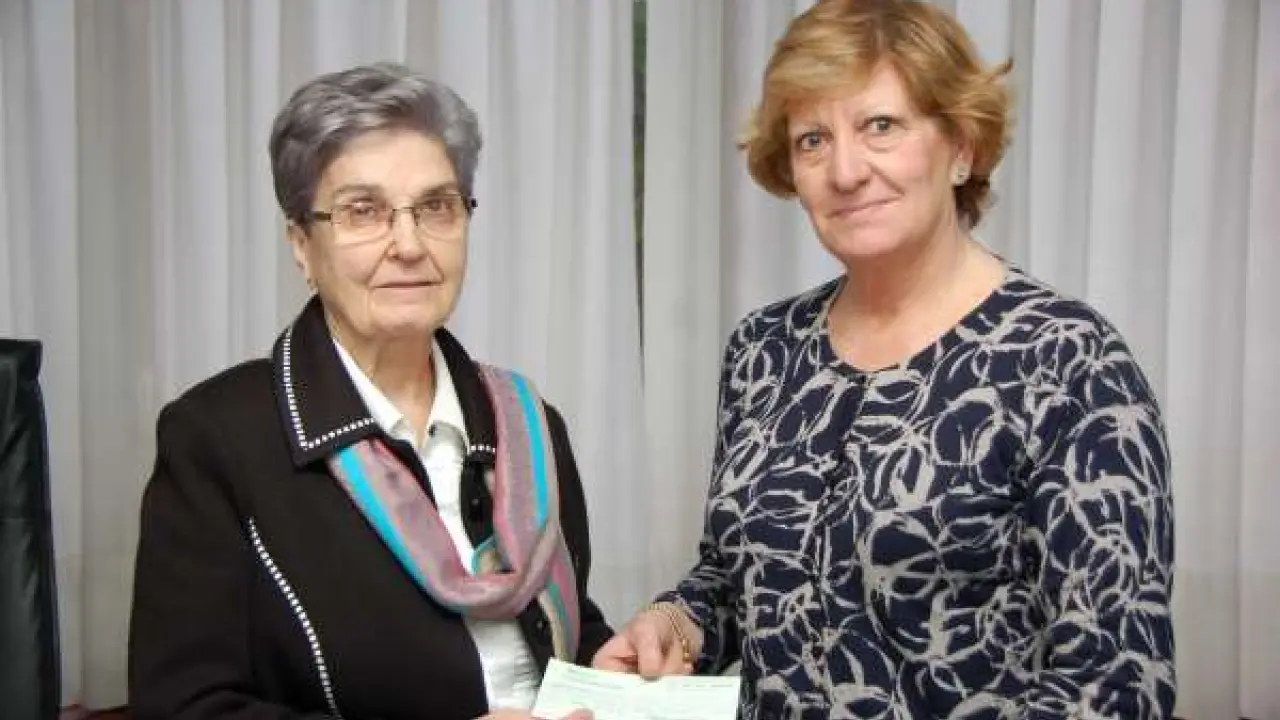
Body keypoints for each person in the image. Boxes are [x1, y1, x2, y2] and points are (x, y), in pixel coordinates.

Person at [594, 1, 1175, 718]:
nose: (845, 171)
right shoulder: (764, 349)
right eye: (813, 139)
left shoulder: (1067, 360)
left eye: (881, 126)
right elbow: (736, 575)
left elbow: (1118, 684)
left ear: (961, 147)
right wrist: (676, 623)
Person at [129, 62, 607, 720]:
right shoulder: (217, 442)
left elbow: (557, 632)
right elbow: (182, 707)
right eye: (363, 212)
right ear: (302, 244)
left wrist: (609, 663)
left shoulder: (528, 423)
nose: (408, 244)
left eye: (436, 207)